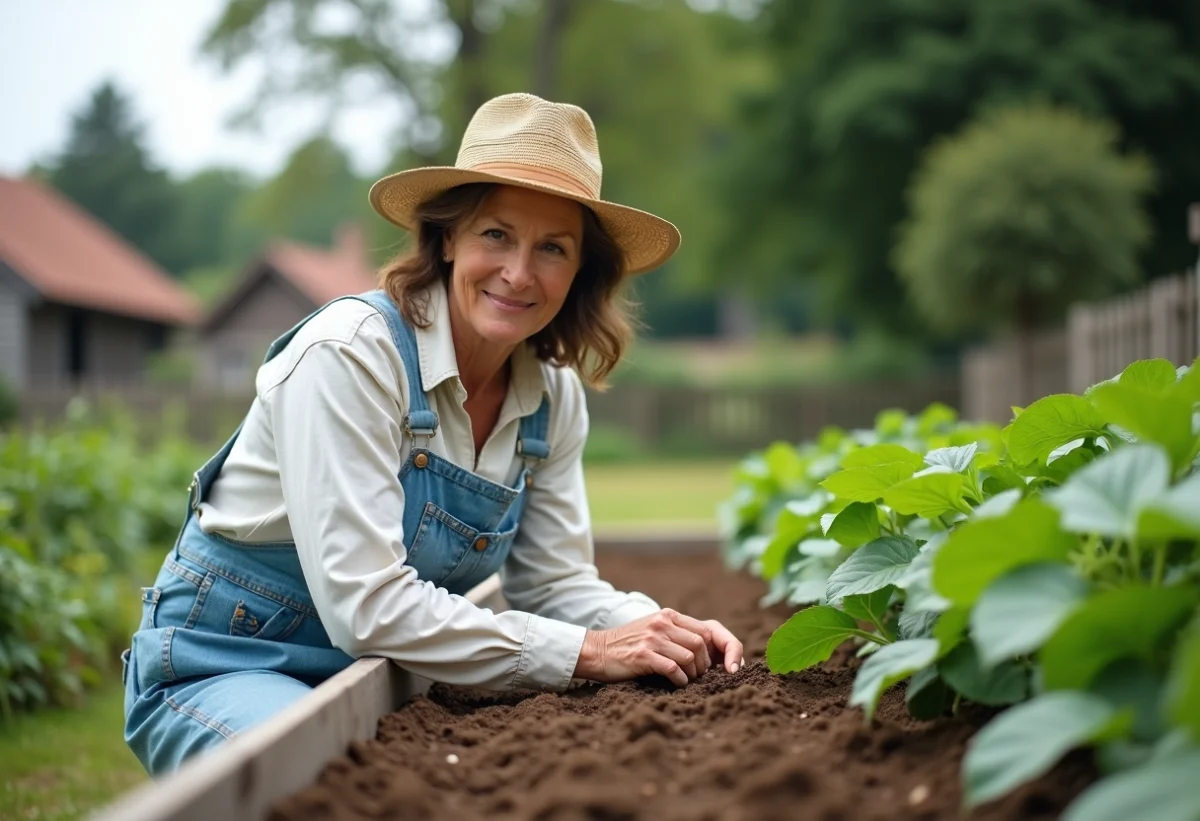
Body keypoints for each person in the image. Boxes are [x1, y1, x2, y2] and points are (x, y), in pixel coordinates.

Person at [122, 92, 744, 775]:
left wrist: (662, 630)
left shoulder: (552, 394)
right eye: (496, 234)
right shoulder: (351, 357)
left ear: (579, 272)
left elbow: (555, 582)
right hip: (224, 664)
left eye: (553, 248)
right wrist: (592, 652)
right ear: (448, 238)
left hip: (372, 680)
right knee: (321, 784)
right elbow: (368, 606)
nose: (518, 272)